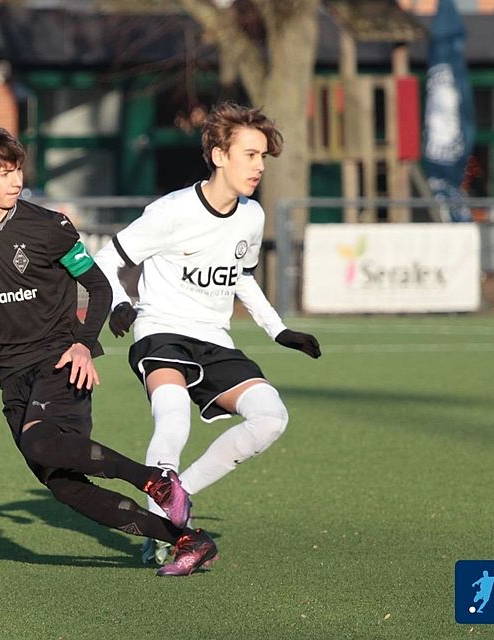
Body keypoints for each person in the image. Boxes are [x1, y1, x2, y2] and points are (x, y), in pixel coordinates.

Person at [0, 125, 219, 577]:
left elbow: (99, 288)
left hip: (62, 358)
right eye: (3, 173)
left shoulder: (48, 227)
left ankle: (156, 482)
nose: (16, 181)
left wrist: (84, 346)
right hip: (12, 375)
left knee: (39, 439)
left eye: (18, 171)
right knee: (63, 487)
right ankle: (186, 540)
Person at [93, 102, 322, 564]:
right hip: (160, 331)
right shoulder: (171, 211)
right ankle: (164, 525)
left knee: (271, 417)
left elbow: (241, 276)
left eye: (262, 157)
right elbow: (106, 258)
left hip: (214, 338)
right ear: (219, 155)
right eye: (250, 154)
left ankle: (177, 497)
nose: (259, 166)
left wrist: (278, 330)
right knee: (173, 417)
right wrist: (119, 301)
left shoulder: (252, 216)